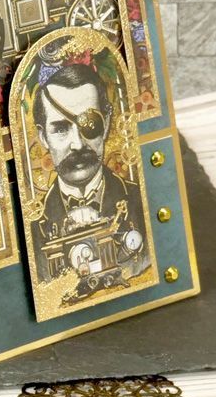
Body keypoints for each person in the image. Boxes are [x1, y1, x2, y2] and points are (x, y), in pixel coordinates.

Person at [31, 63, 147, 285]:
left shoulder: (141, 201)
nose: (77, 144)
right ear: (43, 137)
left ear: (106, 125)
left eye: (89, 124)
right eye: (61, 129)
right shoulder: (33, 227)